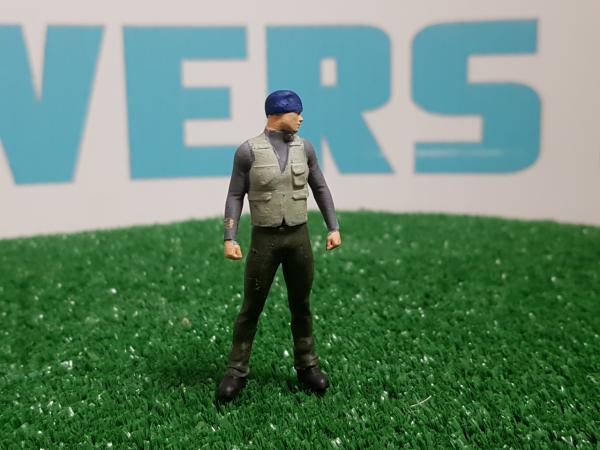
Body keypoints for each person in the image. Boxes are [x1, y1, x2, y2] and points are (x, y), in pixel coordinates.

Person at [217, 90, 342, 402]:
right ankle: (236, 370)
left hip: (299, 238)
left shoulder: (305, 148)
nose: (301, 118)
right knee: (251, 307)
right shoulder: (248, 151)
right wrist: (230, 236)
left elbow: (320, 187)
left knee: (301, 305)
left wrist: (333, 227)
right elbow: (235, 194)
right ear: (277, 114)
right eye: (295, 113)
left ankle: (307, 365)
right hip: (265, 240)